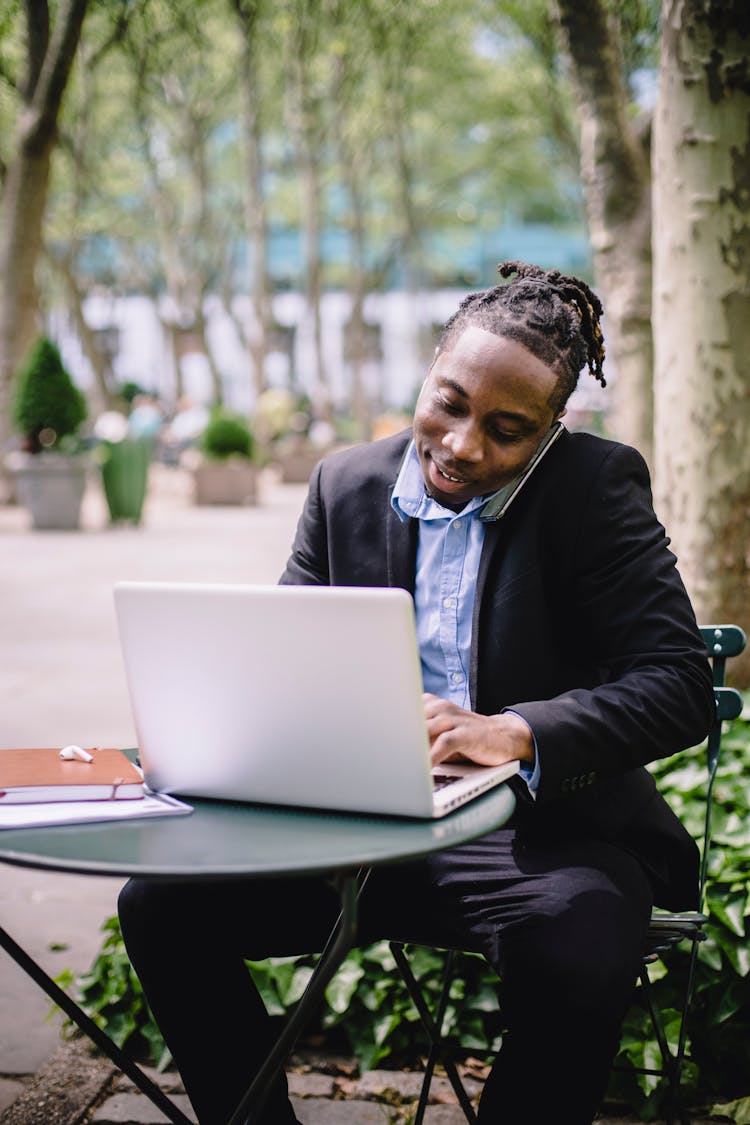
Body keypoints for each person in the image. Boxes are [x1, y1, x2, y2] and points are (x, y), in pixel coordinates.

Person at [118, 261, 715, 1125]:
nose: (465, 444)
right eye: (449, 403)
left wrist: (511, 731)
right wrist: (214, 727)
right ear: (430, 369)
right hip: (349, 833)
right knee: (162, 904)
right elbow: (288, 663)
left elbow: (677, 684)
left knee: (582, 937)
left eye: (509, 430)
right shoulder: (345, 486)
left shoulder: (595, 490)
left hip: (532, 841)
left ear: (553, 429)